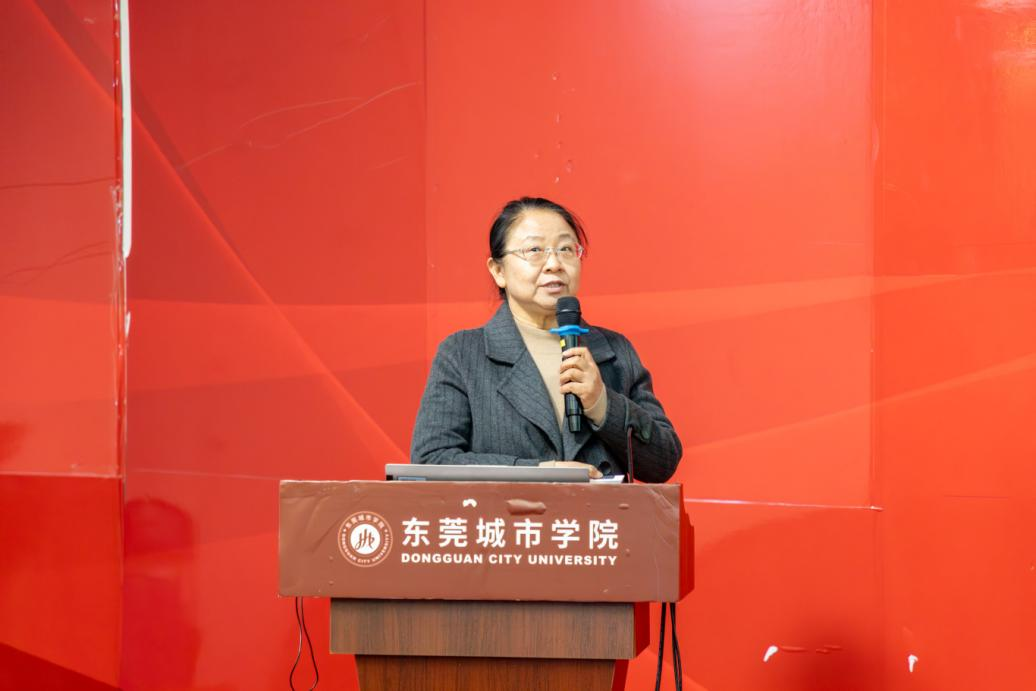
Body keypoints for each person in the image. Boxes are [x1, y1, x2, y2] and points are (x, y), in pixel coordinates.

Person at [410, 197, 681, 482]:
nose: (554, 264)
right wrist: (538, 474)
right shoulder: (463, 355)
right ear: (498, 271)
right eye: (534, 250)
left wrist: (602, 404)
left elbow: (663, 462)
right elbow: (432, 460)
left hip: (599, 513)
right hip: (510, 513)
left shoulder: (614, 350)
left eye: (566, 249)